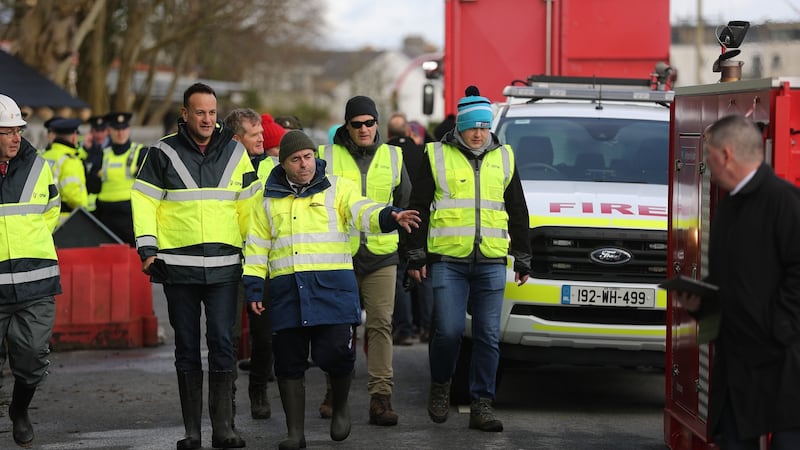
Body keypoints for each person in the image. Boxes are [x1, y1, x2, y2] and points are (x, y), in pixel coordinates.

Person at [242, 130, 420, 449]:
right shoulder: (265, 198)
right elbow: (256, 245)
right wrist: (254, 288)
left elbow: (363, 211)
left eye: (308, 157)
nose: (304, 164)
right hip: (287, 292)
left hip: (332, 290)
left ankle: (340, 408)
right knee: (288, 362)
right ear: (283, 163)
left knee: (335, 353)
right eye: (296, 159)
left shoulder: (337, 188)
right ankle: (295, 434)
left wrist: (391, 216)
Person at [131, 83, 260, 449]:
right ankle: (192, 432)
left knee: (222, 342)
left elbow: (249, 206)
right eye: (199, 112)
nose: (206, 119)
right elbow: (144, 203)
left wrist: (254, 255)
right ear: (185, 114)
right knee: (186, 346)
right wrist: (148, 250)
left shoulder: (236, 152)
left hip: (224, 268)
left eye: (212, 113)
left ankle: (223, 429)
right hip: (178, 268)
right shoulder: (161, 152)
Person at [406, 85, 532, 432]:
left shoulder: (505, 157)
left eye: (483, 126)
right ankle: (441, 384)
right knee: (447, 331)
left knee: (488, 336)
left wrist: (522, 255)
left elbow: (518, 210)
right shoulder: (435, 155)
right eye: (472, 126)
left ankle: (482, 404)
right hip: (449, 260)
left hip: (491, 261)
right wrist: (416, 256)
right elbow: (417, 207)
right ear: (460, 127)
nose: (478, 133)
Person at [673, 114, 800, 449]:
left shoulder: (784, 202)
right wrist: (701, 304)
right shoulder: (729, 207)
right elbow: (729, 281)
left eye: (709, 155)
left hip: (780, 366)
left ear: (726, 154)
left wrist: (779, 328)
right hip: (736, 369)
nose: (705, 164)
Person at [318, 95, 413, 426]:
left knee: (380, 325)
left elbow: (404, 204)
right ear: (347, 126)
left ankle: (380, 398)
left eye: (369, 123)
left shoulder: (394, 156)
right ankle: (335, 392)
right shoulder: (325, 156)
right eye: (356, 124)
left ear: (378, 124)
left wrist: (412, 255)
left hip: (382, 255)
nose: (363, 129)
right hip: (339, 255)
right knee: (338, 328)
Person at [0, 94, 61, 448]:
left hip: (36, 282)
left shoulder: (39, 166)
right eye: (6, 131)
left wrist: (27, 247)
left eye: (18, 130)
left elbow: (50, 212)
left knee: (33, 356)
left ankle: (20, 410)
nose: (15, 137)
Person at [222, 108, 277, 421]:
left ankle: (258, 391)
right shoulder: (222, 169)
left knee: (265, 336)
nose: (262, 139)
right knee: (227, 335)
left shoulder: (273, 168)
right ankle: (226, 396)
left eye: (261, 133)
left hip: (264, 263)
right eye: (254, 135)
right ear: (236, 138)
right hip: (230, 260)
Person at [86, 112, 147, 246]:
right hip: (106, 216)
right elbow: (91, 185)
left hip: (130, 216)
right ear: (110, 131)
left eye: (123, 129)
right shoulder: (103, 155)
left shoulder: (140, 152)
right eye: (116, 129)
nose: (120, 133)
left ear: (128, 130)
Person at [384, 112, 416, 346]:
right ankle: (423, 326)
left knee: (399, 278)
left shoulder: (384, 154)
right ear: (408, 131)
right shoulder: (422, 151)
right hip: (418, 221)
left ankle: (404, 328)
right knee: (419, 274)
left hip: (391, 223)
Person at [40, 117, 89, 222]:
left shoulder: (43, 156)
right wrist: (83, 205)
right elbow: (73, 195)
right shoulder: (70, 160)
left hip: (43, 217)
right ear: (73, 137)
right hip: (65, 220)